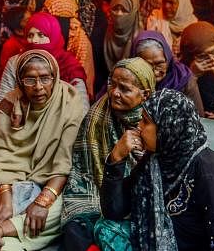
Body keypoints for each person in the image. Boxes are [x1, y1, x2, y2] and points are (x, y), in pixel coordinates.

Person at [99, 88, 214, 251]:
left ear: (168, 127)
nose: (138, 127)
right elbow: (114, 210)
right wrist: (116, 158)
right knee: (107, 229)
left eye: (146, 121)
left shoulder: (211, 173)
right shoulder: (156, 162)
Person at [0, 51, 86, 251]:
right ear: (20, 81)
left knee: (63, 212)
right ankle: (4, 241)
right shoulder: (10, 102)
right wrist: (5, 198)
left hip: (56, 181)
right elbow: (0, 154)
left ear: (55, 76)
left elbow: (64, 162)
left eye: (44, 78)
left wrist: (43, 201)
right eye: (30, 79)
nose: (38, 87)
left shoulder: (70, 102)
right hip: (14, 178)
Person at [61, 58, 155, 251]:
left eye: (125, 89)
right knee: (75, 231)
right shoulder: (98, 115)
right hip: (95, 191)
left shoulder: (155, 122)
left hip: (140, 200)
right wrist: (115, 156)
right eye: (112, 84)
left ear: (145, 95)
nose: (115, 93)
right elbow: (84, 170)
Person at [132, 31, 203, 110]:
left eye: (160, 64)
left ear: (168, 58)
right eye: (147, 65)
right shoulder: (129, 80)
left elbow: (198, 116)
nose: (155, 72)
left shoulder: (183, 78)